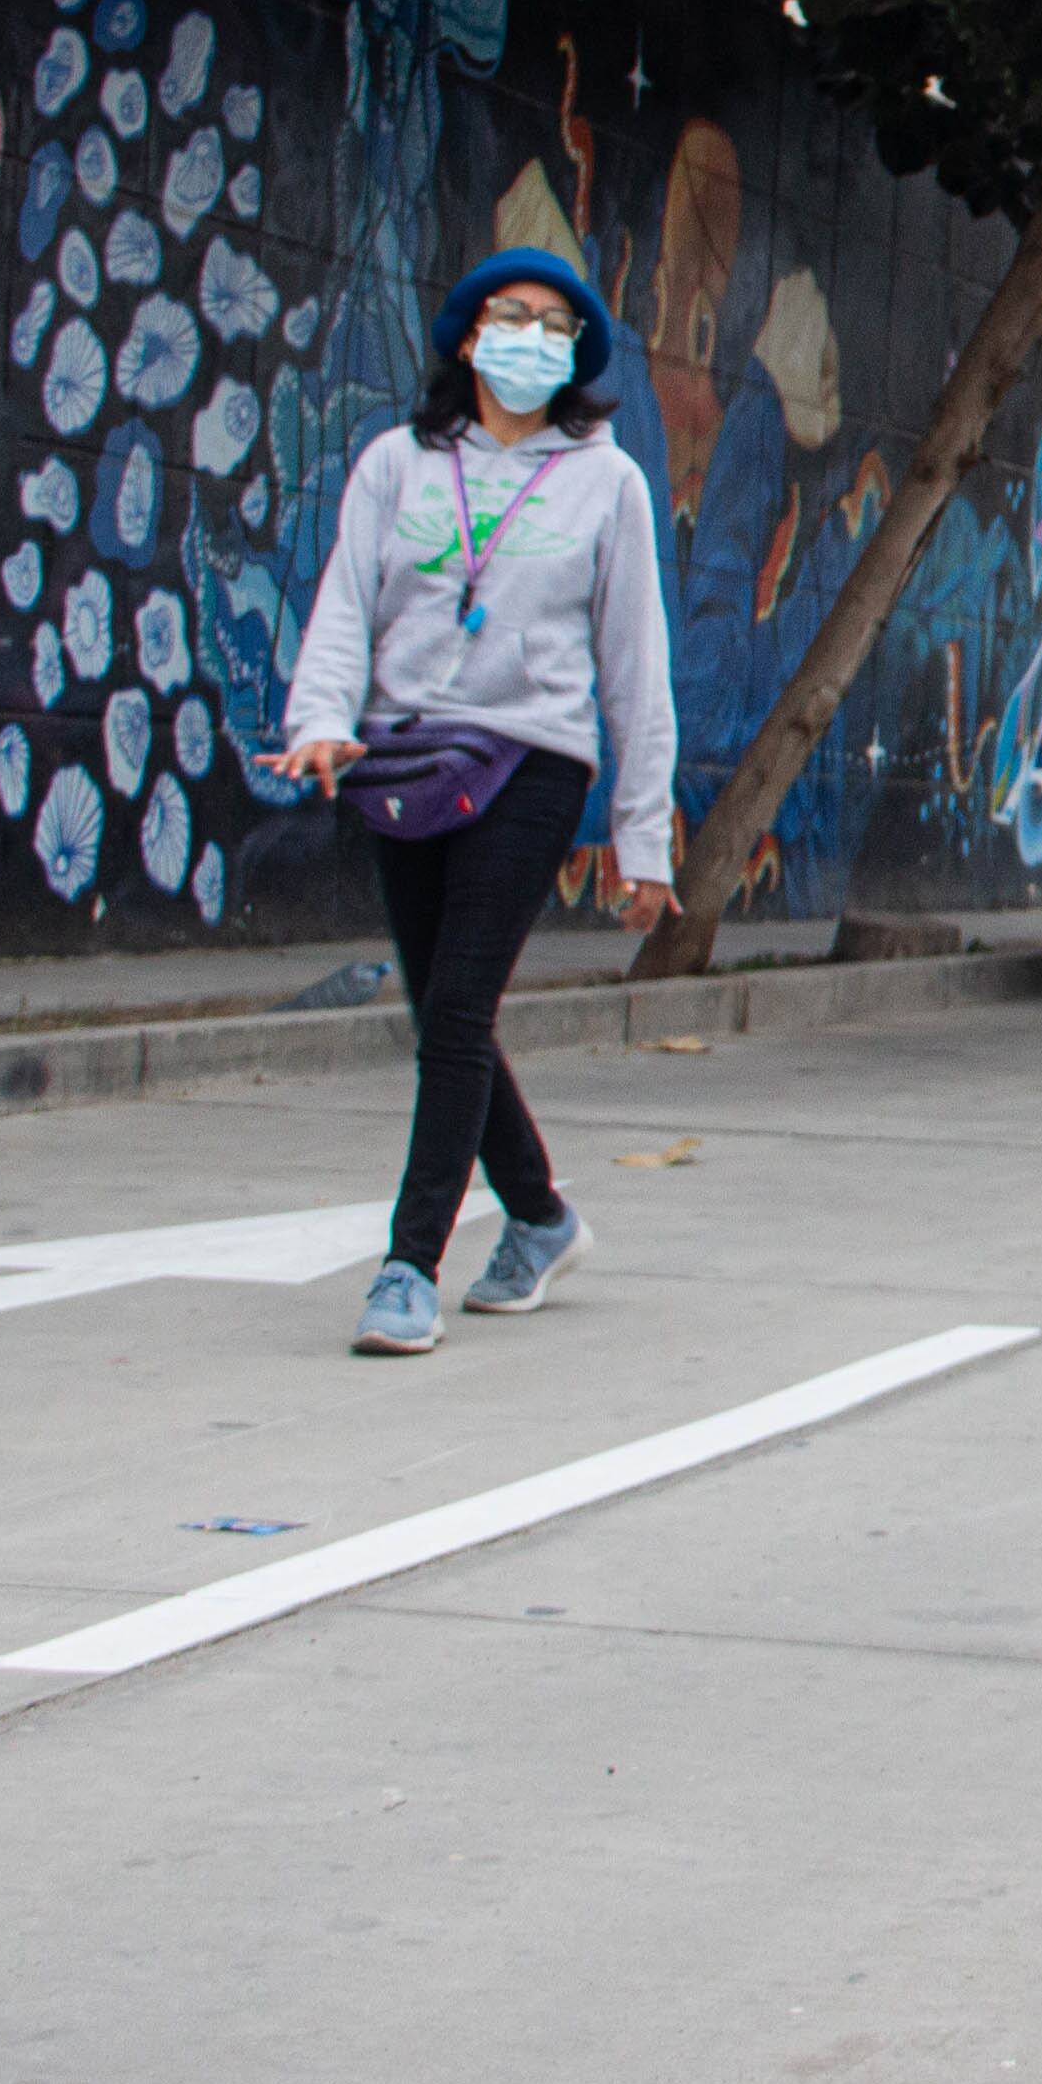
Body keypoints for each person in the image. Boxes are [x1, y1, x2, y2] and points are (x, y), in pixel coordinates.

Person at [266, 249, 678, 1358]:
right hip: (403, 762)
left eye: (554, 323)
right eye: (511, 315)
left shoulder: (609, 481)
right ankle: (540, 1217)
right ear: (466, 335)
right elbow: (345, 602)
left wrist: (644, 840)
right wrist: (319, 723)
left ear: (576, 352)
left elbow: (636, 666)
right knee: (447, 1011)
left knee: (453, 1012)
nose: (530, 337)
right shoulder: (395, 463)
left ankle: (409, 1265)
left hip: (534, 762)